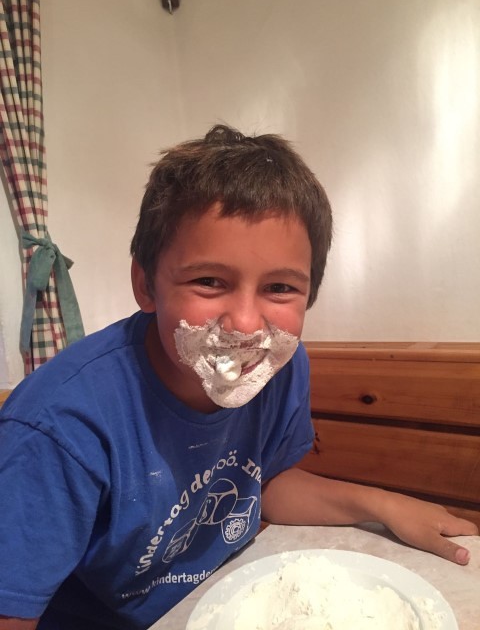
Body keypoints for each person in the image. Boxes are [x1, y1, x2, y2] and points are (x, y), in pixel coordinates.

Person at [0, 125, 477, 630]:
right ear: (146, 285)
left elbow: (263, 483)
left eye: (280, 288)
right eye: (209, 281)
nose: (246, 326)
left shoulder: (281, 367)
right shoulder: (59, 427)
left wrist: (382, 504)